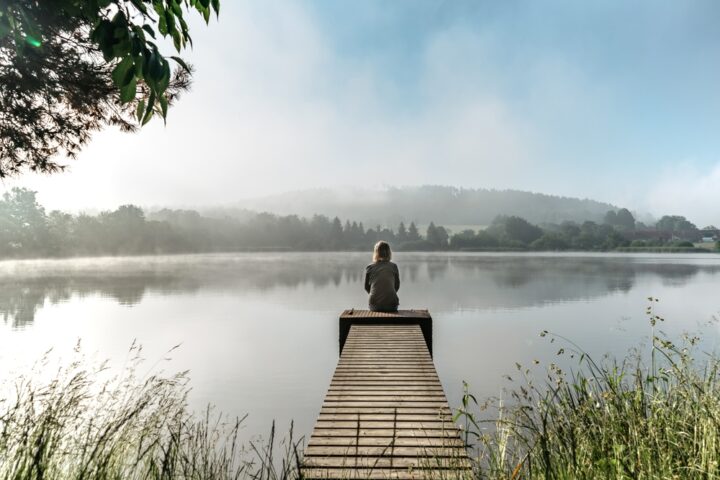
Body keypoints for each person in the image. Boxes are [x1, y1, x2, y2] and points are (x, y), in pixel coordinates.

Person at [364, 241, 400, 312]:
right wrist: (388, 295)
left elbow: (366, 287)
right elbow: (397, 286)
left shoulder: (370, 267)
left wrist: (376, 295)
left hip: (375, 305)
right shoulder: (394, 266)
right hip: (392, 305)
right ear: (389, 252)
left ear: (376, 252)